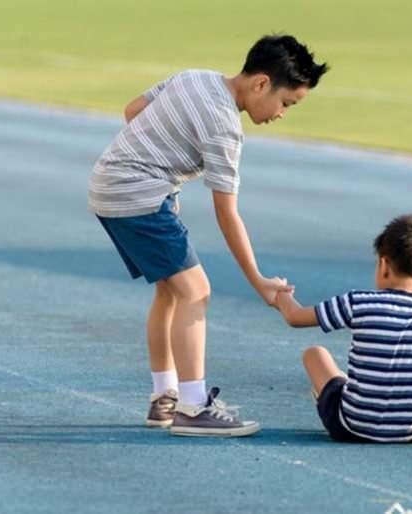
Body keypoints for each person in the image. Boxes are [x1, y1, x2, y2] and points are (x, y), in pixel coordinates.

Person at [87, 34, 329, 437]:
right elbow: (226, 213)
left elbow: (133, 111)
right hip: (137, 192)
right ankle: (193, 406)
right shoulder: (225, 129)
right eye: (287, 103)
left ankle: (164, 396)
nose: (283, 114)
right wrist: (259, 281)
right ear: (261, 84)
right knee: (195, 291)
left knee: (170, 291)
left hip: (108, 182)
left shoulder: (194, 77)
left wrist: (161, 154)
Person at [274, 214, 412, 446]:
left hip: (352, 426)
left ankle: (339, 392)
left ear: (383, 265)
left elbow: (294, 317)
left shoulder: (358, 302)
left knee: (315, 354)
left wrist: (282, 295)